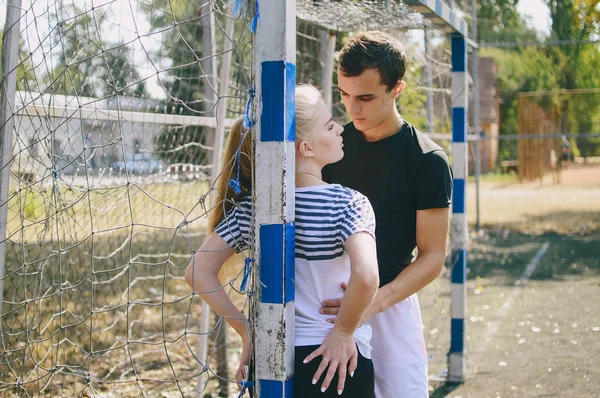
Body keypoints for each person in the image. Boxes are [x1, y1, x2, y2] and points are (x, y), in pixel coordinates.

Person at [185, 84, 380, 397]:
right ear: (306, 149)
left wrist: (247, 332)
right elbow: (367, 277)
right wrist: (344, 331)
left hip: (271, 360)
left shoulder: (256, 207)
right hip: (335, 358)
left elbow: (197, 272)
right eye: (330, 125)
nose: (341, 128)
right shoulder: (349, 203)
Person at [321, 31, 453, 398]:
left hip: (391, 307)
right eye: (344, 95)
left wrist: (373, 302)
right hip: (326, 305)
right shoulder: (332, 151)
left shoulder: (427, 160)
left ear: (397, 89)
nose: (353, 108)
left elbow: (433, 256)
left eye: (365, 97)